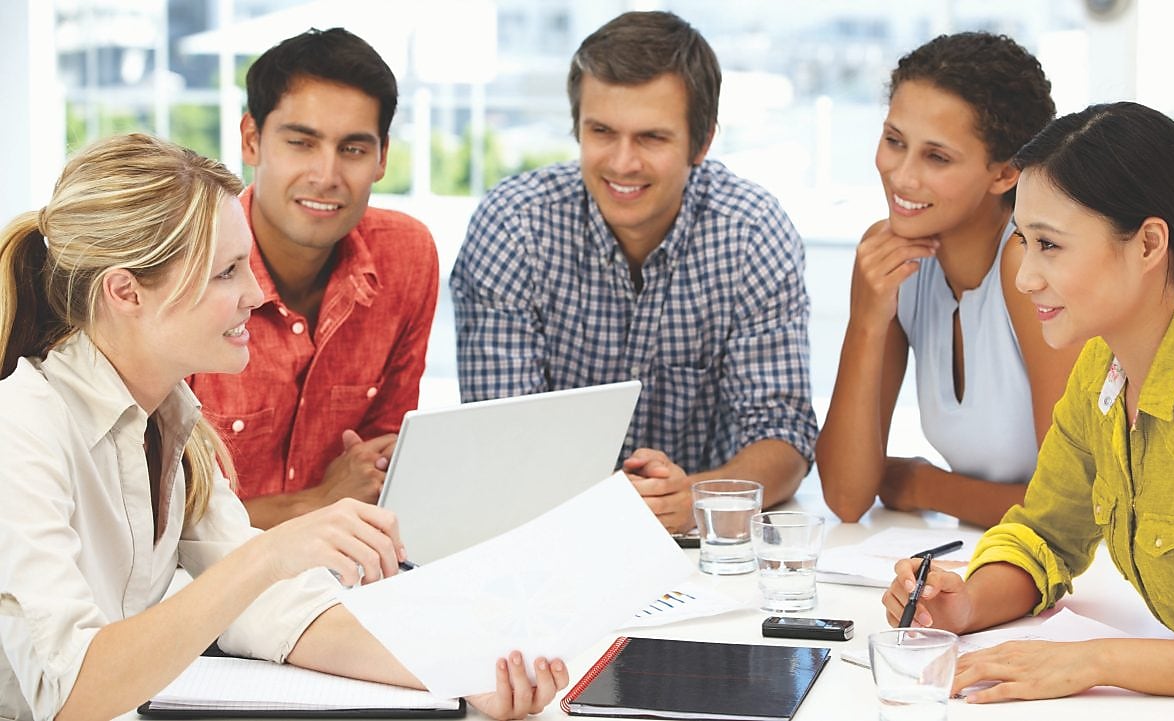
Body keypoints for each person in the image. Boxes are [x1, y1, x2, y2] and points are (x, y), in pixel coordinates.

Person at [0, 134, 565, 721]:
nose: (254, 293)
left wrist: (464, 670)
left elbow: (280, 612)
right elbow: (68, 691)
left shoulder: (172, 423)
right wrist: (270, 554)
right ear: (125, 291)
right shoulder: (21, 428)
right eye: (226, 272)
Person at [882, 102, 1174, 702]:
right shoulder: (1104, 366)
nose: (1024, 277)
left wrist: (1096, 661)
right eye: (1022, 240)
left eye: (1050, 245)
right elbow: (1042, 534)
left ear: (1149, 244)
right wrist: (962, 604)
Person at [450, 11, 817, 533]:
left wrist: (697, 498)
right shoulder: (515, 226)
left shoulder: (752, 231)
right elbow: (502, 436)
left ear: (702, 142)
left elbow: (784, 435)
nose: (622, 163)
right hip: (545, 533)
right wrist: (613, 510)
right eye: (601, 131)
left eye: (651, 138)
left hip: (698, 541)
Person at [815, 32, 1081, 528]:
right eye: (894, 141)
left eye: (936, 157)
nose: (902, 177)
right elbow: (848, 497)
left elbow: (1070, 507)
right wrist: (866, 321)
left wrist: (922, 485)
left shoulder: (1029, 266)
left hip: (1095, 575)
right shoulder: (893, 259)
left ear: (1005, 174)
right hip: (992, 558)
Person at [188, 28, 438, 529]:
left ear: (382, 157)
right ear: (251, 139)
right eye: (302, 142)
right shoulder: (186, 270)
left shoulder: (406, 257)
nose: (326, 175)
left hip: (347, 566)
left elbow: (385, 468)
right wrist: (317, 501)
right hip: (200, 586)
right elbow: (158, 524)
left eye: (352, 149)